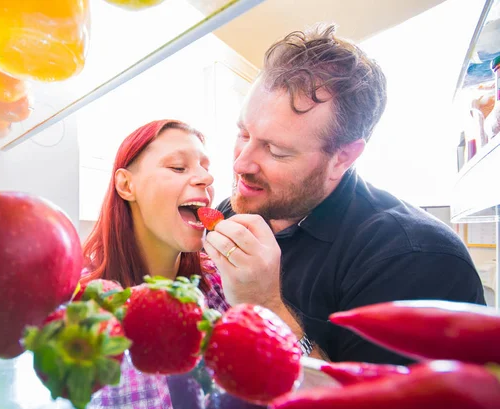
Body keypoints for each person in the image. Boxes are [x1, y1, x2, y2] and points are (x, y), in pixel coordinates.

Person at [203, 24, 486, 365]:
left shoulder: (416, 259)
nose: (241, 163)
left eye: (276, 150)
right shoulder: (232, 213)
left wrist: (265, 307)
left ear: (343, 157)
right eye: (243, 132)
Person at [81, 119, 229, 408]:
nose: (207, 179)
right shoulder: (84, 304)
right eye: (178, 167)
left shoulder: (220, 285)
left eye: (206, 169)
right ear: (126, 185)